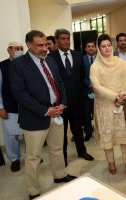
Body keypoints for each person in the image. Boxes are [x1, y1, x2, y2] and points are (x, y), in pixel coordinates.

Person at [9, 30, 76, 199]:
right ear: (29, 45)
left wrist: (63, 103)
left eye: (45, 44)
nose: (44, 48)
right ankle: (33, 191)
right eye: (39, 45)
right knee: (33, 157)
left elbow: (60, 83)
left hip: (57, 112)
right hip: (35, 118)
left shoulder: (51, 60)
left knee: (57, 148)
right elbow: (20, 94)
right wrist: (44, 110)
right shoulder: (18, 65)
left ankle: (60, 175)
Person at [90, 34, 126, 177]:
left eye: (109, 45)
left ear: (112, 46)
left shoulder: (121, 63)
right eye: (103, 46)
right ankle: (111, 163)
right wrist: (115, 96)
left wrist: (123, 95)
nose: (107, 48)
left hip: (121, 106)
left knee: (125, 138)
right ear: (99, 48)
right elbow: (96, 87)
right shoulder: (95, 67)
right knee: (108, 139)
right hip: (105, 108)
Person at [50, 29, 94, 166]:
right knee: (61, 134)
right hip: (60, 104)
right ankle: (62, 157)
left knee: (77, 130)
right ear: (57, 41)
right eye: (62, 38)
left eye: (68, 38)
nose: (66, 41)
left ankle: (81, 151)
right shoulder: (51, 58)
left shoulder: (77, 55)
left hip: (77, 101)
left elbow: (81, 77)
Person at [0, 41, 24, 172]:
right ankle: (15, 159)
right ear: (9, 50)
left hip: (27, 106)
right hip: (9, 107)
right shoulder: (1, 66)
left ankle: (33, 155)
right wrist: (0, 107)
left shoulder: (29, 64)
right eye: (16, 49)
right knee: (10, 136)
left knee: (30, 133)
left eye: (21, 48)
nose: (19, 50)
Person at [83, 40, 97, 142]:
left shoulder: (101, 59)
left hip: (100, 91)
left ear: (95, 48)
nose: (91, 48)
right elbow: (80, 75)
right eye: (88, 46)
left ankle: (100, 131)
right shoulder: (81, 59)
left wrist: (97, 85)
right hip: (86, 91)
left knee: (99, 113)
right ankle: (88, 132)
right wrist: (89, 84)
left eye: (92, 46)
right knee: (86, 113)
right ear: (85, 48)